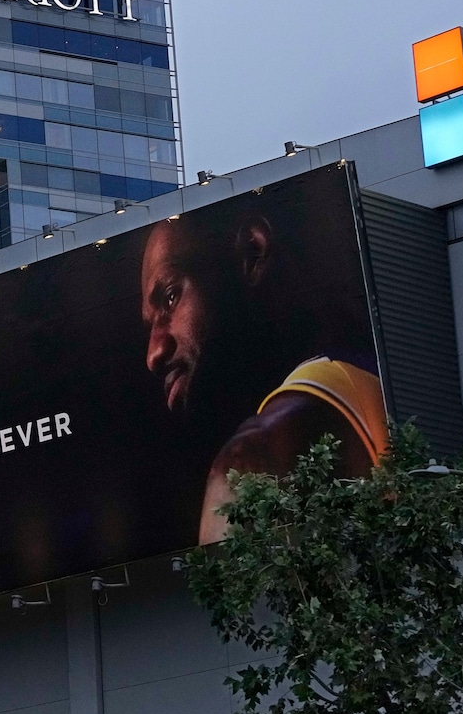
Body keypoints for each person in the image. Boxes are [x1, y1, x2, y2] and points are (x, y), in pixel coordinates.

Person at [139, 210, 387, 544]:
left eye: (171, 297)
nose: (153, 354)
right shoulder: (378, 368)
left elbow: (239, 597)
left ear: (253, 253)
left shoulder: (248, 463)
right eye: (150, 325)